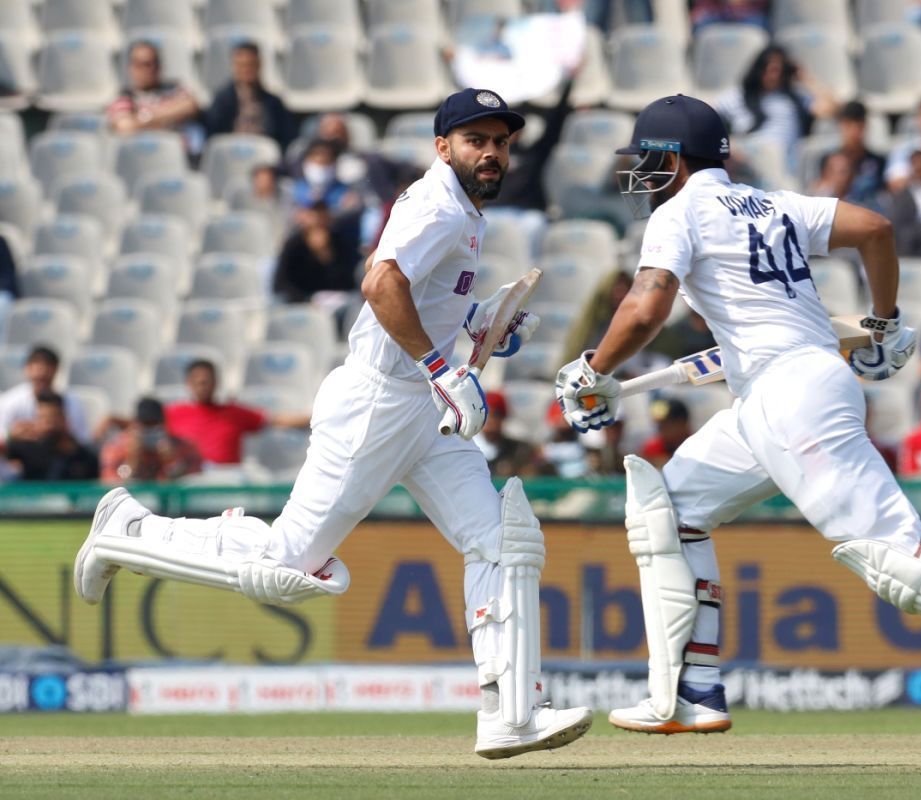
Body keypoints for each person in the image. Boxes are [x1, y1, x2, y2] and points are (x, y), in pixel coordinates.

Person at [553, 93, 921, 738]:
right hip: (774, 394)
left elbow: (646, 307)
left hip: (791, 398)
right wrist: (886, 318)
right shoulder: (775, 201)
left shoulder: (680, 212)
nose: (641, 172)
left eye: (648, 158)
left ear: (673, 158)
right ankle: (690, 691)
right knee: (668, 513)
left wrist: (594, 370)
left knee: (891, 554)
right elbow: (875, 228)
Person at [76, 88, 591, 759]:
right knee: (286, 566)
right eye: (476, 141)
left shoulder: (464, 214)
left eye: (499, 141)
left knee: (499, 540)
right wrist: (443, 368)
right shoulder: (436, 203)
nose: (491, 153)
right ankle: (130, 530)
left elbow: (424, 294)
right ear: (443, 147)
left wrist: (480, 320)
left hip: (421, 410)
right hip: (379, 403)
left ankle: (509, 710)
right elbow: (381, 285)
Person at [164, 359, 308, 466]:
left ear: (215, 382)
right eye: (197, 382)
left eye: (206, 381)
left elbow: (275, 420)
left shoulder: (234, 413)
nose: (202, 386)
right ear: (188, 383)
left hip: (227, 479)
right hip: (188, 479)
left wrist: (318, 419)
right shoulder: (172, 414)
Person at [715, 46, 833, 147]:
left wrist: (805, 78)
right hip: (748, 162)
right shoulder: (738, 96)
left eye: (778, 70)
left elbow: (830, 110)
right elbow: (706, 113)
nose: (773, 75)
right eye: (768, 68)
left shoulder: (795, 97)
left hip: (787, 165)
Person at [106, 41, 202, 153]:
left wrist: (143, 117)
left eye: (152, 64)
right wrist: (167, 117)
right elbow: (125, 126)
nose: (147, 70)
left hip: (181, 155)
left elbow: (190, 106)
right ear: (131, 67)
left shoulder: (173, 89)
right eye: (141, 64)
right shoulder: (124, 97)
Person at [204, 42, 294, 151]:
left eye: (250, 65)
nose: (246, 70)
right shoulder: (223, 100)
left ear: (259, 65)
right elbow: (213, 135)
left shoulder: (274, 103)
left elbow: (285, 137)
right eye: (241, 65)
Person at [272, 202, 361, 304]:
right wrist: (306, 299)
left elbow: (347, 279)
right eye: (314, 215)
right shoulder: (294, 244)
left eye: (322, 216)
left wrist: (325, 254)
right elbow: (281, 283)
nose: (319, 221)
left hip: (335, 301)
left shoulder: (339, 241)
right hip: (302, 301)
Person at [0, 346, 92, 444]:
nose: (42, 373)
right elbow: (2, 437)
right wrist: (13, 435)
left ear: (56, 370)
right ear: (27, 369)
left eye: (47, 367)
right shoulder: (10, 401)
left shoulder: (72, 403)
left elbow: (82, 441)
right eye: (37, 369)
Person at [99, 397, 203, 483]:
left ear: (164, 425)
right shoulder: (116, 447)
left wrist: (172, 461)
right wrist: (132, 461)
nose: (149, 431)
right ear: (134, 425)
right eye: (145, 425)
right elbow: (111, 485)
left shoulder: (183, 447)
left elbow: (191, 482)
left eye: (155, 425)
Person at [3, 391, 98, 481]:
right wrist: (11, 436)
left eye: (50, 418)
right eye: (41, 418)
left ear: (64, 419)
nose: (45, 425)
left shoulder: (86, 459)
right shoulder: (29, 450)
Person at [828, 101, 887, 207]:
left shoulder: (879, 162)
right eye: (849, 125)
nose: (854, 131)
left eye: (859, 125)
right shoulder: (829, 161)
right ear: (841, 126)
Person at [475, 391, 541, 478]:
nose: (490, 421)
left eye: (496, 415)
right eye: (485, 415)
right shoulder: (466, 448)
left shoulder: (519, 450)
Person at [640, 397, 693, 469]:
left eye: (666, 425)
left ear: (682, 423)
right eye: (659, 426)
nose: (662, 431)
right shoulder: (652, 448)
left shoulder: (697, 445)